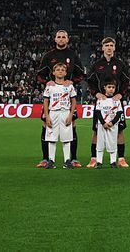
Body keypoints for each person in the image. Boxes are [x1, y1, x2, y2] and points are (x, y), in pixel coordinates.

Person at [36, 29, 85, 168]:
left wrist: (72, 81)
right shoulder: (48, 56)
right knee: (46, 124)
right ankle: (46, 159)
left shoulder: (72, 55)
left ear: (67, 40)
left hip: (67, 97)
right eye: (59, 37)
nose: (61, 39)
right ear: (55, 39)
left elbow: (81, 74)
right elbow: (39, 74)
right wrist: (47, 82)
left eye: (64, 37)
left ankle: (72, 159)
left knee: (72, 125)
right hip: (52, 96)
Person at [86, 37, 130, 168]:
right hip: (102, 102)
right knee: (96, 130)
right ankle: (94, 158)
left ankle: (121, 158)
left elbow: (126, 81)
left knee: (120, 130)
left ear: (114, 48)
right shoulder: (96, 64)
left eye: (111, 45)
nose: (109, 47)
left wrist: (121, 93)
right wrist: (96, 93)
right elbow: (90, 81)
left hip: (116, 102)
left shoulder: (121, 64)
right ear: (102, 48)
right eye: (107, 45)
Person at [42, 63, 77, 169]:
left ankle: (67, 160)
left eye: (62, 70)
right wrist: (47, 116)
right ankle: (51, 160)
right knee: (51, 138)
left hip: (65, 112)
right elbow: (45, 101)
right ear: (53, 72)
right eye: (57, 69)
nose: (60, 71)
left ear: (66, 72)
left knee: (66, 138)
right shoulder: (50, 86)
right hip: (53, 112)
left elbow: (74, 101)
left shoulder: (69, 86)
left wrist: (71, 114)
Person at [93, 79, 124, 169]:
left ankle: (113, 161)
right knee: (100, 143)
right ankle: (99, 162)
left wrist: (112, 122)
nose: (111, 89)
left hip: (113, 126)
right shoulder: (101, 100)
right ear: (104, 88)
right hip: (102, 125)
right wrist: (103, 123)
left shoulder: (117, 100)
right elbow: (97, 112)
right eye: (109, 87)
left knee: (113, 142)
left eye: (113, 87)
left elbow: (119, 113)